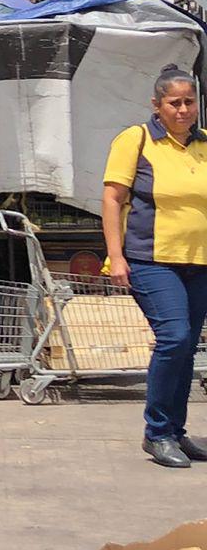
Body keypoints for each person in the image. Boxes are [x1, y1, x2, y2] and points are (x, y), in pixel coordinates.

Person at [101, 64, 207, 468]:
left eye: (189, 102)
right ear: (157, 105)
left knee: (186, 349)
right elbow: (112, 199)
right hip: (151, 260)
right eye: (174, 102)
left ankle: (177, 433)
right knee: (175, 338)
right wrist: (116, 256)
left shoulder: (204, 144)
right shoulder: (138, 139)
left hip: (199, 262)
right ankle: (158, 433)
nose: (183, 109)